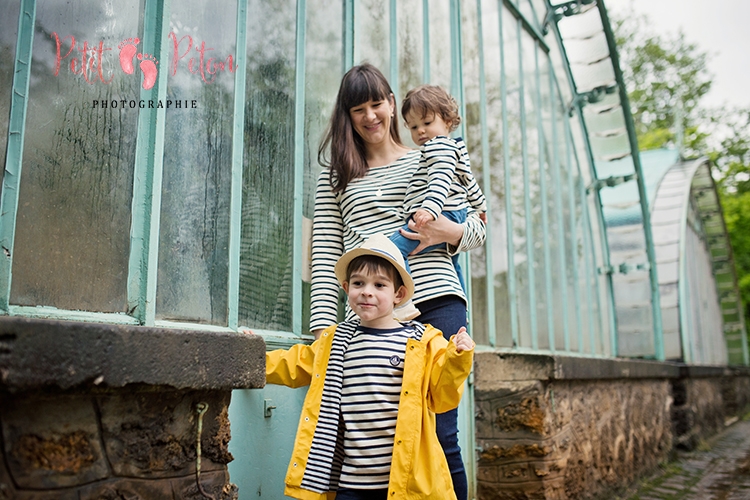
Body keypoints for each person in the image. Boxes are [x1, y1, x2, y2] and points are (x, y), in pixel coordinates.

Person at [311, 63, 486, 500]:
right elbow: (325, 257)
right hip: (372, 319)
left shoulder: (431, 156)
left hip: (436, 302)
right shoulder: (337, 176)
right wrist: (321, 330)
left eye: (377, 104)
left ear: (392, 104)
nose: (370, 116)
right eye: (358, 109)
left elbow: (479, 226)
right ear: (346, 116)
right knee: (370, 442)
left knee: (439, 433)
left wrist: (448, 233)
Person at [263, 234, 475, 499]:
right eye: (358, 283)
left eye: (379, 285)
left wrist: (457, 358)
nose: (367, 291)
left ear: (398, 294)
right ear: (345, 287)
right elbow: (294, 363)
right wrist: (254, 360)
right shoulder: (336, 341)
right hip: (351, 483)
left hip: (402, 484)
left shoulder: (421, 342)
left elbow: (441, 395)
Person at [388, 84, 487, 319]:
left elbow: (439, 182)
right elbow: (468, 180)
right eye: (414, 126)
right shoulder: (455, 148)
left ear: (447, 120)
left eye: (427, 123)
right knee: (454, 265)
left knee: (389, 250)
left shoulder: (437, 147)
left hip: (438, 215)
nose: (421, 131)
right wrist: (481, 206)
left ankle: (402, 302)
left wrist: (430, 209)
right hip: (456, 212)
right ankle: (463, 313)